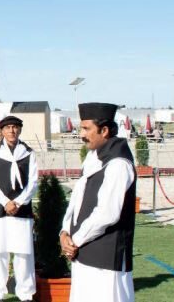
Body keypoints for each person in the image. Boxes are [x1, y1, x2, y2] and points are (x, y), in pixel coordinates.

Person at [60, 103, 136, 302]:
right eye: (81, 128)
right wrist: (65, 232)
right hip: (83, 250)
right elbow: (77, 198)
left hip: (106, 257)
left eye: (86, 129)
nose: (81, 134)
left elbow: (107, 213)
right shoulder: (93, 157)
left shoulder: (118, 164)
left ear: (104, 130)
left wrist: (75, 241)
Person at [0, 115, 37, 302]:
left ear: (20, 130)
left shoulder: (28, 153)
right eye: (8, 128)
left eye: (15, 127)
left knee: (23, 253)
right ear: (2, 131)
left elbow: (33, 183)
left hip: (21, 211)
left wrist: (18, 202)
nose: (12, 131)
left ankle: (26, 293)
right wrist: (5, 202)